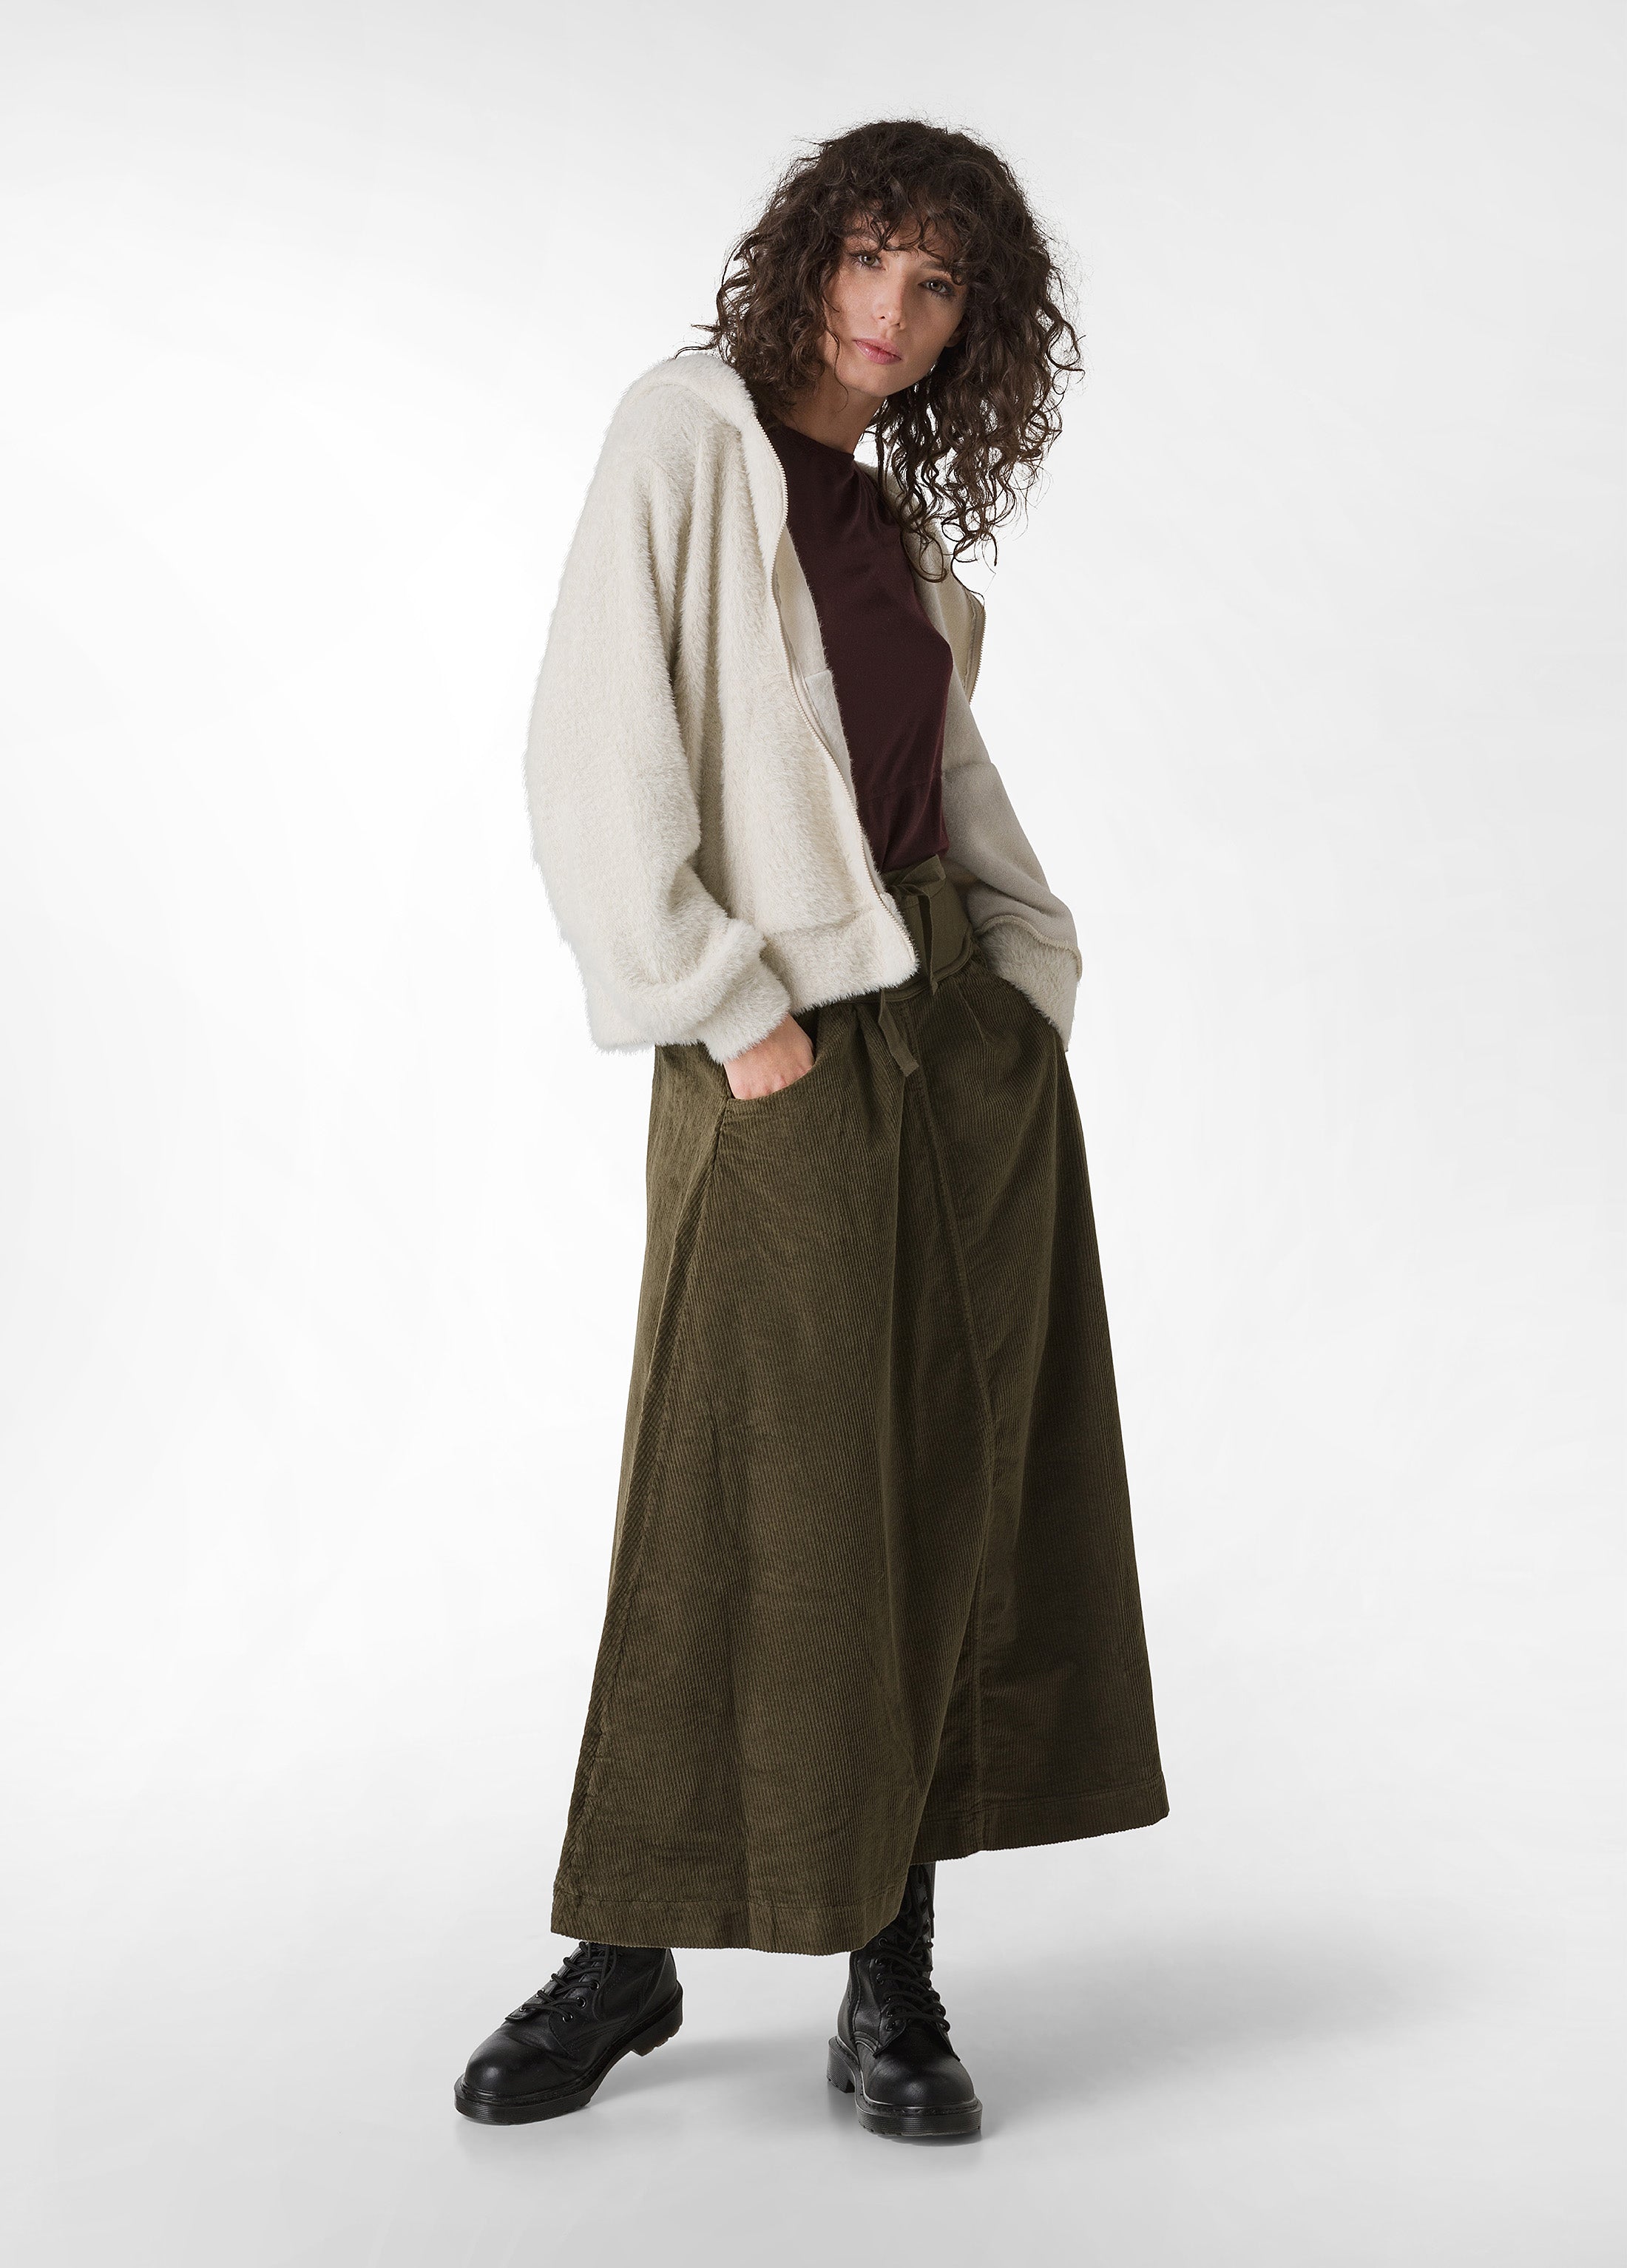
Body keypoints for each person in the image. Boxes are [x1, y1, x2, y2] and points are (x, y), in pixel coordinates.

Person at [455, 117, 1168, 2143]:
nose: (893, 309)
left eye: (939, 286)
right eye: (872, 257)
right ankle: (628, 1952)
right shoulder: (683, 440)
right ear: (808, 258)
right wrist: (717, 1000)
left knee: (938, 1487)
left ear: (970, 331)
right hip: (777, 1042)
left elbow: (936, 774)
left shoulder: (882, 528)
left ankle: (891, 1978)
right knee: (728, 1478)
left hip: (955, 1047)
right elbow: (593, 750)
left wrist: (1027, 974)